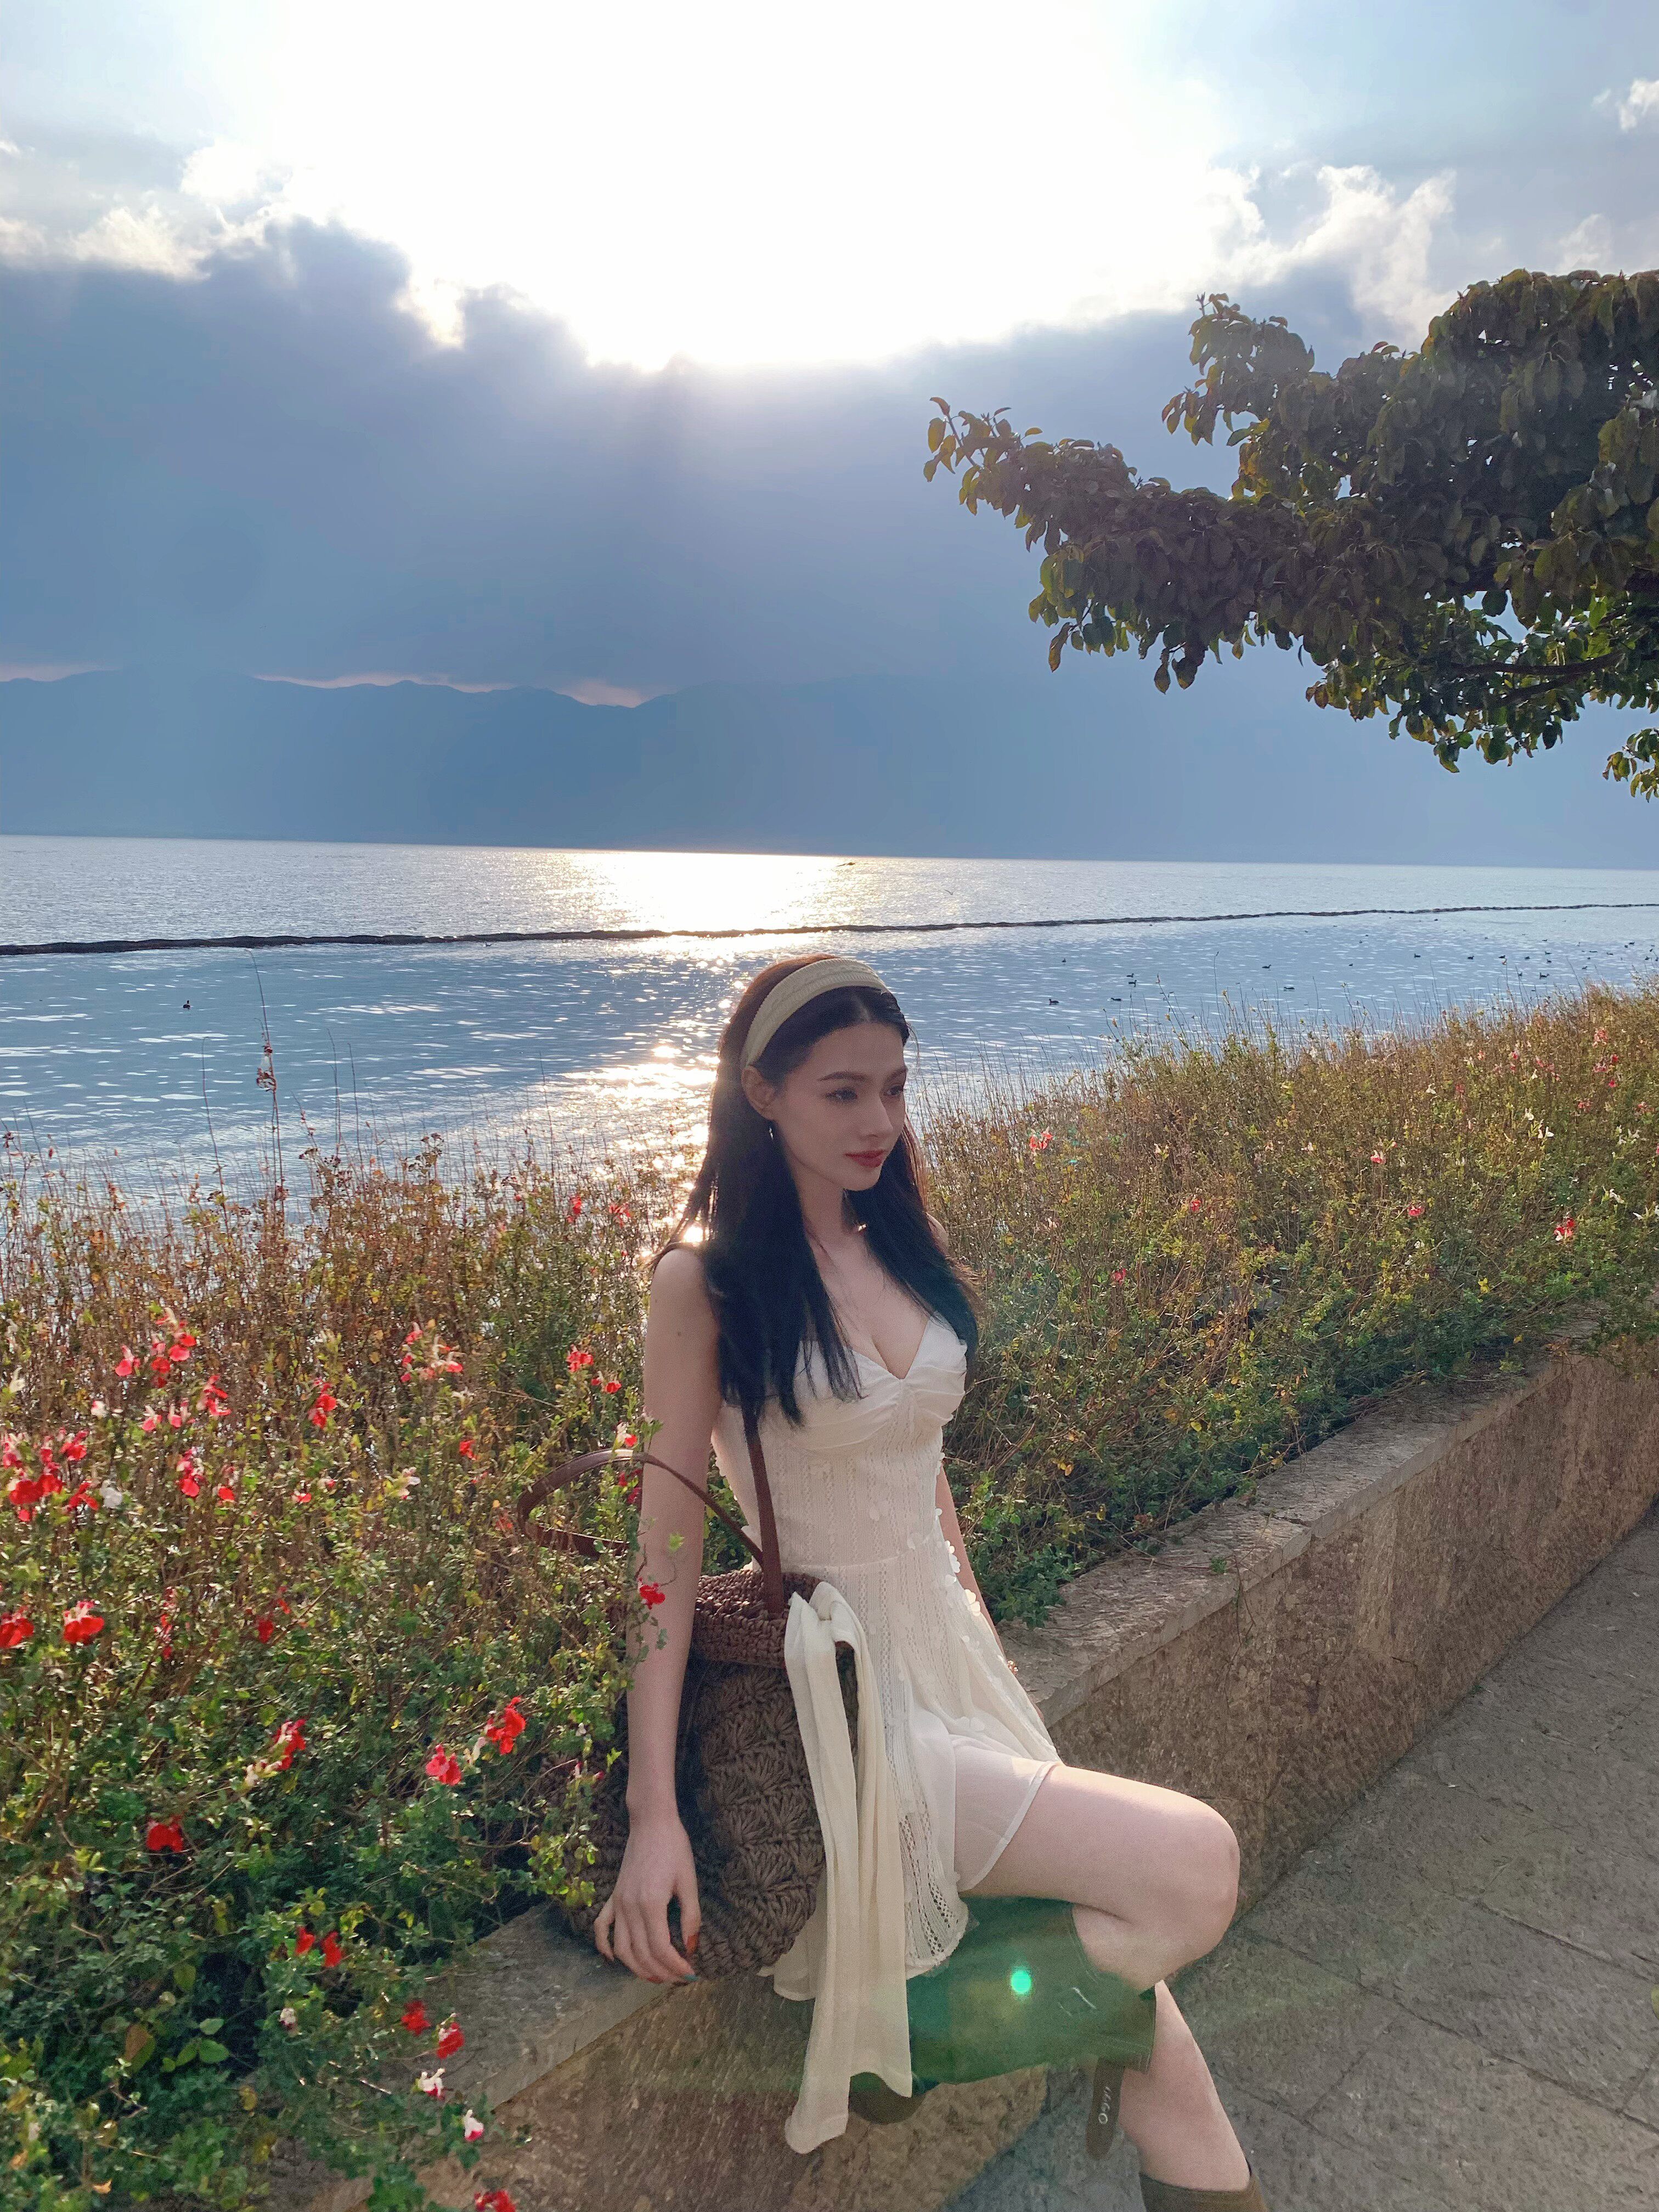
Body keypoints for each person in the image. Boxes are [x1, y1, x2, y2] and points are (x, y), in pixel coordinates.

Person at [593, 953, 1267, 2209]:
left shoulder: (897, 1237)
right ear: (762, 1093)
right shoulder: (709, 1279)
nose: (880, 1122)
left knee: (1159, 2042)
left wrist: (989, 1648)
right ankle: (899, 2029)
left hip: (952, 1664)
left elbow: (925, 1470)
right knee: (1195, 1869)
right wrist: (653, 1815)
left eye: (896, 1088)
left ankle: (898, 2038)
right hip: (844, 1705)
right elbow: (663, 1556)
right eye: (843, 1092)